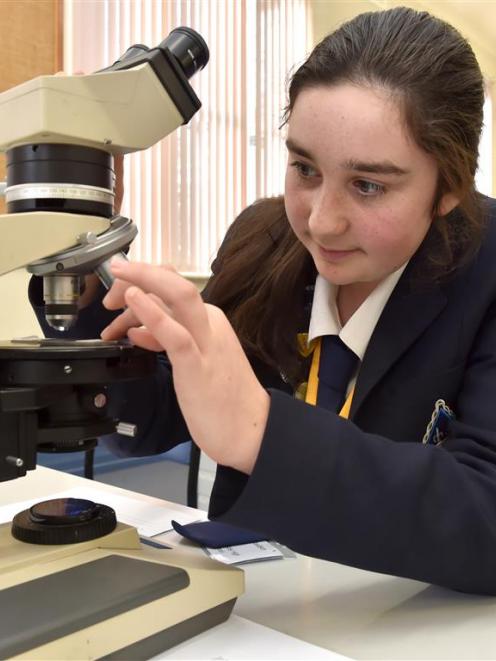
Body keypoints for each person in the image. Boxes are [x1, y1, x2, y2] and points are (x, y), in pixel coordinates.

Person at [31, 6, 496, 594]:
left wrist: (260, 431)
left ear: (450, 187)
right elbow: (147, 421)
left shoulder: (487, 271)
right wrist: (86, 261)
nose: (322, 223)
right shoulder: (265, 239)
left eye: (369, 185)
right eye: (304, 167)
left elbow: (484, 514)